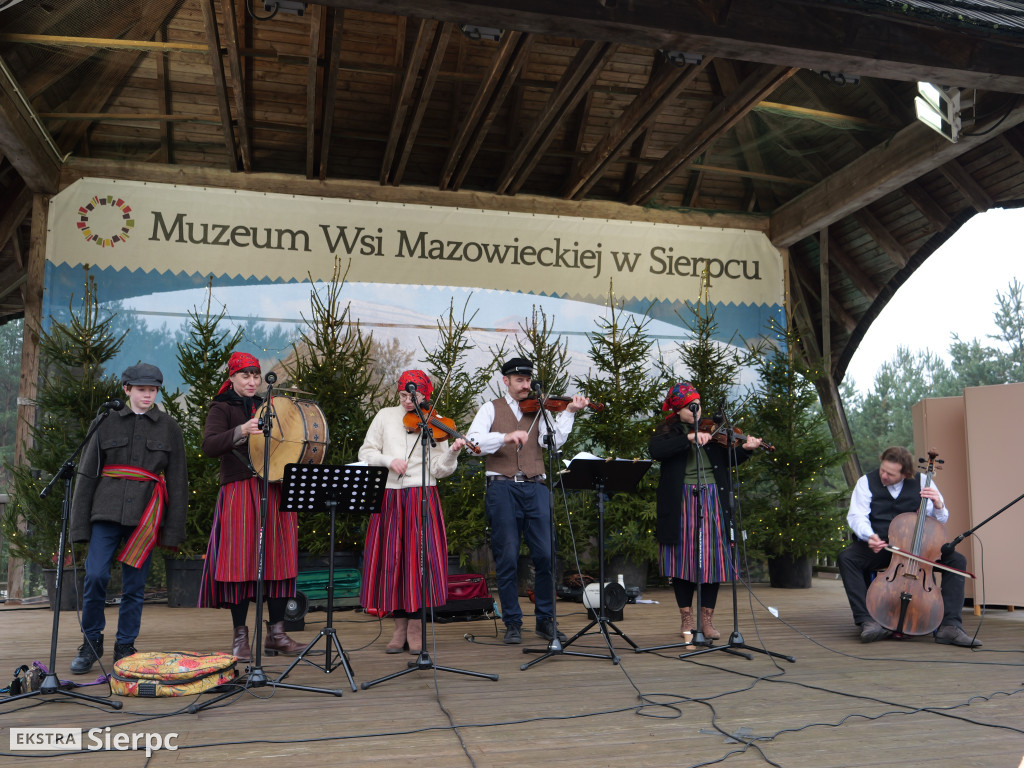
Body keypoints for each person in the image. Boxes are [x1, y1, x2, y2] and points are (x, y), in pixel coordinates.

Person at [69, 363, 188, 674]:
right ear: (126, 390)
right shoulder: (105, 421)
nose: (147, 394)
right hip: (105, 513)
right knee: (95, 576)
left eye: (152, 389)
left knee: (135, 585)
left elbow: (178, 480)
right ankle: (91, 641)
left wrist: (173, 530)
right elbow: (86, 474)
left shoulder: (169, 427)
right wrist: (79, 525)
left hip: (145, 518)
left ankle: (125, 644)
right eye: (141, 389)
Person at [466, 357, 587, 645]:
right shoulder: (489, 408)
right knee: (507, 557)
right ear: (506, 380)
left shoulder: (539, 411)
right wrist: (505, 437)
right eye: (519, 380)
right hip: (502, 488)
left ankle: (546, 620)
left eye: (528, 380)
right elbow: (473, 445)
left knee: (545, 555)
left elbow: (552, 443)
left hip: (535, 487)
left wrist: (568, 412)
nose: (525, 385)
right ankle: (513, 622)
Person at [198, 351, 305, 661]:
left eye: (256, 376)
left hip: (274, 488)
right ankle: (240, 637)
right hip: (240, 490)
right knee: (240, 563)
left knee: (278, 560)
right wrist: (241, 431)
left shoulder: (269, 406)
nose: (252, 381)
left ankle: (277, 635)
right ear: (231, 378)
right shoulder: (222, 407)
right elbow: (208, 445)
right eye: (245, 376)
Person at [358, 370, 466, 654]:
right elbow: (366, 453)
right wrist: (388, 460)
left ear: (425, 394)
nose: (407, 401)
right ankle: (399, 627)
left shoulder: (437, 422)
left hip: (422, 495)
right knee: (392, 561)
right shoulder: (384, 416)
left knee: (420, 562)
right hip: (390, 496)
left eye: (414, 395)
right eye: (404, 395)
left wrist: (452, 452)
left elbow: (439, 470)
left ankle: (417, 626)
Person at [837, 446, 981, 647]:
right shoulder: (866, 482)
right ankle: (867, 621)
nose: (884, 476)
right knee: (847, 557)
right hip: (883, 547)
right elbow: (856, 516)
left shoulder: (923, 482)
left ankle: (950, 626)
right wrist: (869, 536)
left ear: (905, 474)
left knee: (957, 560)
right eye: (882, 470)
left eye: (890, 473)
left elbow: (940, 519)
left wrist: (939, 504)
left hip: (918, 551)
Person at [649, 382, 761, 641]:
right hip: (682, 501)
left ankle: (707, 620)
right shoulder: (668, 432)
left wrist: (745, 450)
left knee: (713, 560)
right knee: (682, 560)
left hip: (713, 498)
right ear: (678, 409)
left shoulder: (712, 432)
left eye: (697, 404)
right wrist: (688, 437)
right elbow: (656, 451)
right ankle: (686, 618)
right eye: (690, 406)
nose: (695, 409)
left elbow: (727, 461)